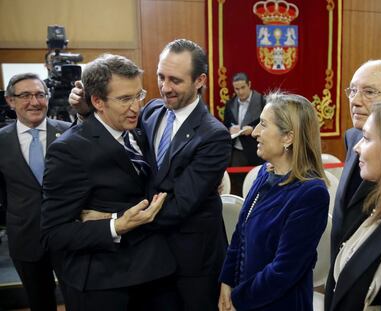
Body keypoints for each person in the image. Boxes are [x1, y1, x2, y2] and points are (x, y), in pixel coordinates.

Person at [70, 39, 232, 311]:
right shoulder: (152, 110)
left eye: (175, 81)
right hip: (148, 257)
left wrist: (117, 221)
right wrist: (90, 111)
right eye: (160, 77)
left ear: (200, 80)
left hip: (192, 263)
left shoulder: (214, 135)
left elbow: (180, 206)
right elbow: (121, 149)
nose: (165, 87)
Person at [41, 54, 177, 311]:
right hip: (106, 284)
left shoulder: (139, 130)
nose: (136, 107)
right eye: (125, 99)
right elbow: (53, 234)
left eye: (139, 95)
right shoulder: (69, 149)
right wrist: (116, 225)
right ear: (97, 101)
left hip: (156, 273)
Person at [219, 92, 330, 311]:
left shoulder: (311, 194)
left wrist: (238, 299)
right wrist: (226, 283)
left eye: (263, 124)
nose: (255, 133)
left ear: (288, 137)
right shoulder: (264, 174)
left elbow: (283, 271)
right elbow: (240, 233)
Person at [327, 60, 381, 302]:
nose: (355, 100)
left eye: (369, 92)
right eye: (352, 90)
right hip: (341, 278)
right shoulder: (353, 138)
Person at [0, 73, 71, 311]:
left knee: (79, 297)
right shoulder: (1, 141)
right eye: (25, 95)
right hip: (25, 237)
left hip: (69, 235)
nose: (35, 102)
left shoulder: (70, 133)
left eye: (40, 94)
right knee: (39, 301)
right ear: (11, 101)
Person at [223, 72, 266, 167]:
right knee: (237, 180)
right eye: (237, 89)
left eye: (243, 87)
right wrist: (230, 130)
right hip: (237, 151)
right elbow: (225, 126)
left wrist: (253, 129)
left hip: (258, 150)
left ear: (249, 85)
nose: (240, 92)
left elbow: (269, 125)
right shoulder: (230, 104)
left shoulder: (262, 101)